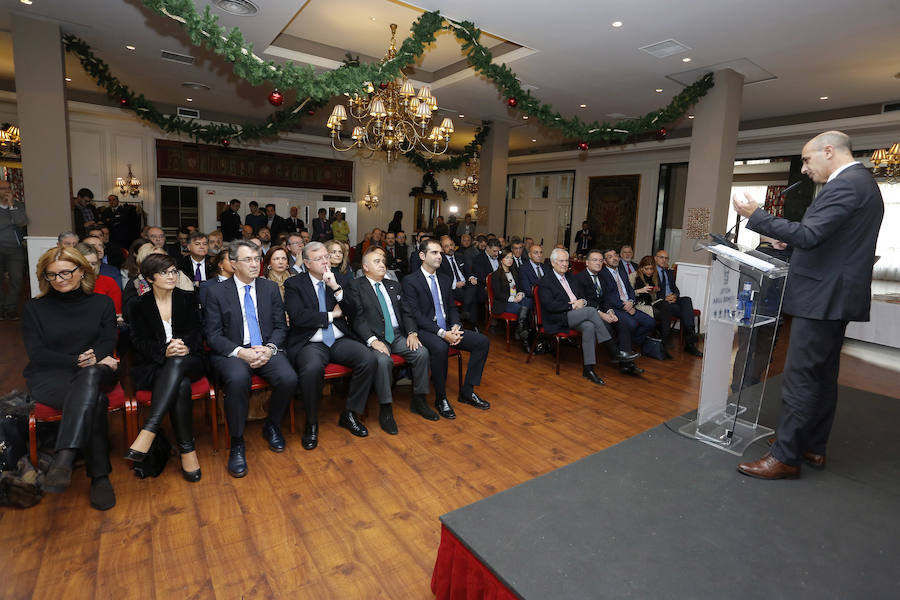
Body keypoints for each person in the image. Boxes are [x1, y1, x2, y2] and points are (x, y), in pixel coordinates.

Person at [732, 130, 884, 480]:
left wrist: (757, 214)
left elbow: (811, 234)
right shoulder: (863, 183)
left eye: (806, 159)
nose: (803, 169)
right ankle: (813, 444)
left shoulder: (846, 185)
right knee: (822, 375)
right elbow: (827, 239)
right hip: (835, 296)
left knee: (800, 377)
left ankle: (786, 456)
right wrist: (794, 244)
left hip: (823, 297)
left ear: (828, 151)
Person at [22, 247, 119, 510]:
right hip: (52, 375)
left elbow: (109, 339)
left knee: (89, 377)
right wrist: (77, 360)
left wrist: (94, 358)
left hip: (97, 369)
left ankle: (64, 458)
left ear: (81, 271)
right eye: (52, 274)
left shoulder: (102, 303)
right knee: (95, 401)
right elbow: (37, 353)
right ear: (45, 277)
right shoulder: (34, 308)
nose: (60, 279)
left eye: (66, 272)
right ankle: (99, 477)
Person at [204, 240, 297, 478]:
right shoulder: (215, 291)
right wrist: (240, 352)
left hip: (264, 347)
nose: (255, 264)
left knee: (288, 378)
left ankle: (272, 425)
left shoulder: (269, 288)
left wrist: (269, 349)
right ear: (233, 264)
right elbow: (212, 335)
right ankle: (237, 441)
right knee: (237, 380)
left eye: (257, 259)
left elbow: (280, 326)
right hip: (233, 351)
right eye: (248, 260)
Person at [283, 242, 376, 449]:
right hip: (311, 342)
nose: (326, 261)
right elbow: (299, 317)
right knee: (311, 368)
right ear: (306, 263)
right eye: (319, 258)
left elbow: (353, 311)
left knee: (368, 359)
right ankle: (312, 422)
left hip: (339, 339)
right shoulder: (294, 284)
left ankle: (350, 413)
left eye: (326, 257)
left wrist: (335, 288)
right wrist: (331, 315)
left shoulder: (339, 279)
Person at [125, 254, 205, 482]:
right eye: (164, 273)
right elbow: (137, 341)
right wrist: (164, 350)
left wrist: (185, 346)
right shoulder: (138, 305)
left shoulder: (188, 298)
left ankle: (149, 430)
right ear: (150, 278)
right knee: (181, 385)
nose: (171, 276)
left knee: (179, 362)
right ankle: (188, 450)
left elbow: (198, 331)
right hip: (154, 365)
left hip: (189, 359)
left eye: (173, 272)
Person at [401, 239, 491, 418]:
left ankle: (467, 391)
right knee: (441, 347)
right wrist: (442, 333)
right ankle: (441, 397)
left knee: (482, 341)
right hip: (426, 330)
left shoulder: (444, 278)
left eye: (440, 253)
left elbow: (451, 307)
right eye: (434, 252)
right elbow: (416, 314)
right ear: (422, 256)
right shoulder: (410, 281)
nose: (439, 256)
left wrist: (456, 326)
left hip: (449, 328)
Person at [349, 246, 434, 430]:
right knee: (383, 361)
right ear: (365, 266)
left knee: (421, 353)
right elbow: (358, 318)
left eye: (383, 261)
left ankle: (419, 400)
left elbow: (407, 312)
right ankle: (386, 409)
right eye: (376, 262)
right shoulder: (357, 286)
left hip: (396, 335)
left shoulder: (394, 285)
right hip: (374, 338)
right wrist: (372, 340)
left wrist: (412, 332)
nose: (382, 264)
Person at [575, 249, 646, 374]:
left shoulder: (601, 277)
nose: (598, 263)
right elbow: (583, 301)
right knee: (606, 326)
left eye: (600, 260)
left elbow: (606, 298)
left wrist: (610, 311)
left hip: (604, 311)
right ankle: (618, 356)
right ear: (587, 263)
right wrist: (602, 314)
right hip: (588, 312)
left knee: (623, 323)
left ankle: (626, 364)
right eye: (594, 260)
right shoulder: (579, 278)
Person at [596, 249, 656, 360]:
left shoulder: (622, 272)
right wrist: (624, 306)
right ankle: (625, 349)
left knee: (650, 322)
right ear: (604, 261)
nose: (614, 258)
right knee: (632, 324)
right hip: (615, 308)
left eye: (615, 255)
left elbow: (630, 290)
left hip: (629, 304)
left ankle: (627, 344)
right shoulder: (602, 274)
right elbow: (607, 296)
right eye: (610, 257)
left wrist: (631, 302)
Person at [653, 250, 703, 356]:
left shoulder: (669, 273)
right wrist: (665, 298)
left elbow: (675, 289)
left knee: (686, 299)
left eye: (666, 258)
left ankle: (689, 338)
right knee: (686, 312)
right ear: (655, 258)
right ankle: (690, 342)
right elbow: (652, 292)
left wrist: (674, 296)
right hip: (661, 303)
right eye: (661, 257)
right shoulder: (651, 272)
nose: (664, 260)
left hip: (672, 300)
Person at [491, 248, 531, 352]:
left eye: (511, 258)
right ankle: (523, 336)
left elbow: (520, 287)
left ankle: (520, 329)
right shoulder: (496, 275)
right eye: (507, 258)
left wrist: (520, 294)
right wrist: (513, 299)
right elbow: (498, 294)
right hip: (503, 303)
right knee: (522, 308)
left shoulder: (514, 272)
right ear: (501, 260)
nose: (510, 260)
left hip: (516, 299)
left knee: (528, 301)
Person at [75, 242, 122, 324]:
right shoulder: (67, 283)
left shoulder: (109, 283)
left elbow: (116, 316)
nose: (90, 267)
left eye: (93, 263)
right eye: (85, 263)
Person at [0, 179, 26, 321]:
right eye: (3, 188)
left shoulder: (18, 205)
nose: (7, 191)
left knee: (17, 279)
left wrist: (11, 206)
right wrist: (10, 222)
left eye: (9, 188)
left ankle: (10, 309)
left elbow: (21, 222)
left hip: (15, 249)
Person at [438, 235, 478, 324]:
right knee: (472, 296)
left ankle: (465, 311)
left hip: (465, 284)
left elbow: (468, 270)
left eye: (451, 245)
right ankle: (473, 324)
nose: (450, 248)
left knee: (474, 285)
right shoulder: (440, 260)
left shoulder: (460, 256)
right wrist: (454, 284)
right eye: (446, 246)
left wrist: (471, 277)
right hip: (452, 287)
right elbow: (441, 278)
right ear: (442, 248)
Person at [632, 256, 670, 342]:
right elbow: (628, 293)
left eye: (651, 269)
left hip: (650, 302)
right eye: (647, 269)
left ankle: (664, 338)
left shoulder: (653, 276)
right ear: (641, 268)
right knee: (662, 315)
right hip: (639, 304)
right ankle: (663, 339)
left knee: (665, 305)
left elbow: (653, 295)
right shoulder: (633, 276)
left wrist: (655, 290)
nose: (649, 271)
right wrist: (640, 290)